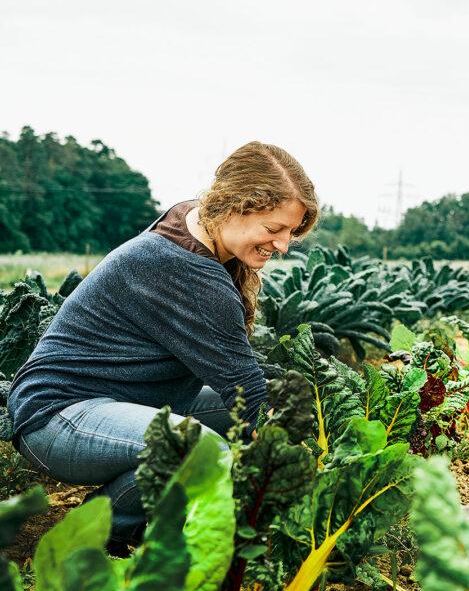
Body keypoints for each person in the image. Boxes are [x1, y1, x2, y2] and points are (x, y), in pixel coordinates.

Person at [8, 141, 319, 552]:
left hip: (134, 400)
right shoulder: (186, 270)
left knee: (289, 411)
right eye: (273, 229)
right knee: (205, 452)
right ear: (233, 208)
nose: (282, 245)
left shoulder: (191, 219)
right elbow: (248, 392)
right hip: (58, 416)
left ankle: (115, 513)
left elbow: (248, 390)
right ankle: (101, 531)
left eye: (290, 233)